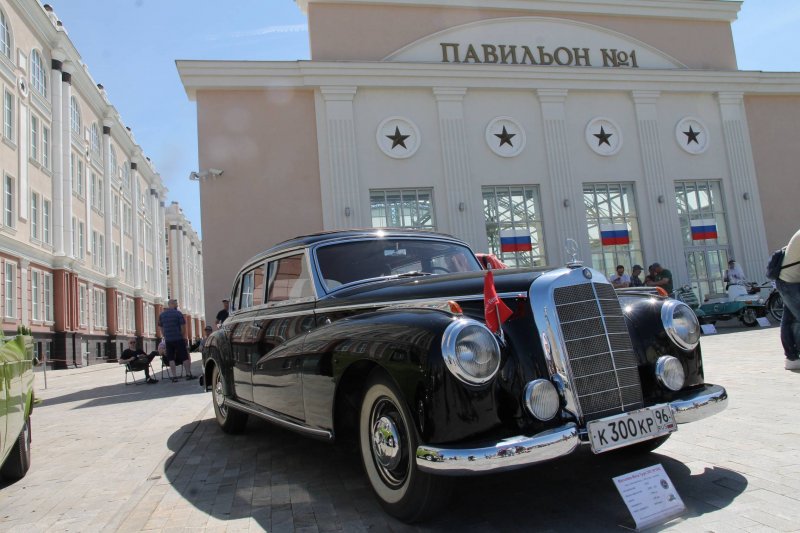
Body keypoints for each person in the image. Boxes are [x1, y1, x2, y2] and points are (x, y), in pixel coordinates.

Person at [777, 228, 800, 370]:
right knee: (796, 318)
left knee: (789, 319)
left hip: (789, 280)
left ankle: (791, 357)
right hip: (788, 282)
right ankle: (792, 356)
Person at [158, 299, 195, 381]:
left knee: (171, 358)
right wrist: (181, 335)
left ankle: (174, 376)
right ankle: (188, 374)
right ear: (171, 304)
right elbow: (183, 327)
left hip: (168, 340)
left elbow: (161, 327)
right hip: (178, 338)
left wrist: (165, 335)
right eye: (176, 304)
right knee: (184, 356)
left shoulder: (162, 315)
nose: (177, 305)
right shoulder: (178, 314)